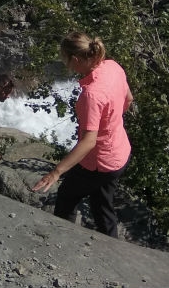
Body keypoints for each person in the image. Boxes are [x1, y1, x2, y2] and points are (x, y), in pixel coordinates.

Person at [31, 31, 133, 238]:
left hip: (100, 162)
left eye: (66, 60)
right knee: (101, 205)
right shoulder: (112, 66)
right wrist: (110, 123)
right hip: (119, 152)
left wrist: (56, 172)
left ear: (76, 59)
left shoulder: (92, 95)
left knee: (67, 196)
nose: (67, 66)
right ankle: (113, 249)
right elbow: (128, 99)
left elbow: (89, 142)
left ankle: (62, 241)